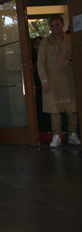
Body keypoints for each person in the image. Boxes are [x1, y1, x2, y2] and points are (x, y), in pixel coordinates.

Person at [37, 16, 80, 147]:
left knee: (72, 108)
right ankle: (57, 136)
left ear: (63, 24)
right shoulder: (45, 42)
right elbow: (40, 63)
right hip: (51, 80)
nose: (55, 28)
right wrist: (44, 80)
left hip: (69, 80)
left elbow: (78, 53)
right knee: (54, 110)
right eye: (52, 26)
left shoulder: (71, 39)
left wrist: (70, 59)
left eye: (57, 25)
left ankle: (73, 134)